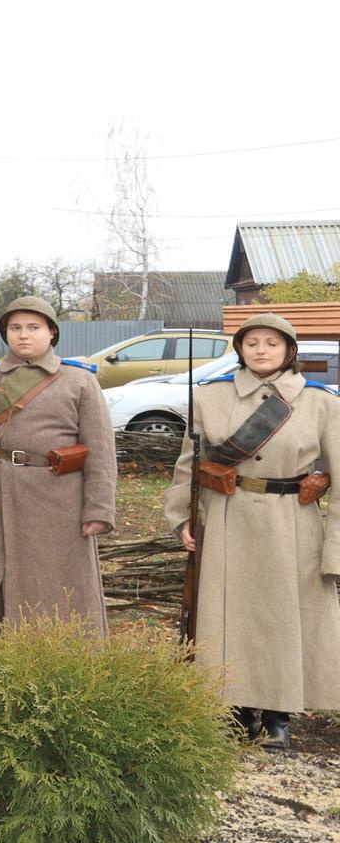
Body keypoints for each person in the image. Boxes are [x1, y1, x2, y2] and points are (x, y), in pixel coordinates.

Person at [164, 312, 339, 748]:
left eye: (271, 343)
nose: (261, 350)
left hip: (292, 525)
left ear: (289, 351)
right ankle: (235, 708)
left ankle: (279, 714)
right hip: (228, 517)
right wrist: (185, 517)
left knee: (284, 619)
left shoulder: (321, 401)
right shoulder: (209, 397)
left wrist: (334, 546)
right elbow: (189, 464)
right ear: (240, 348)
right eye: (252, 342)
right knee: (231, 617)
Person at [0, 295, 116, 634]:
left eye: (34, 327)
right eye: (15, 328)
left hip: (60, 500)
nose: (24, 335)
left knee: (59, 589)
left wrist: (98, 509)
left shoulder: (79, 382)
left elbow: (101, 452)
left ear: (52, 333)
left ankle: (61, 665)